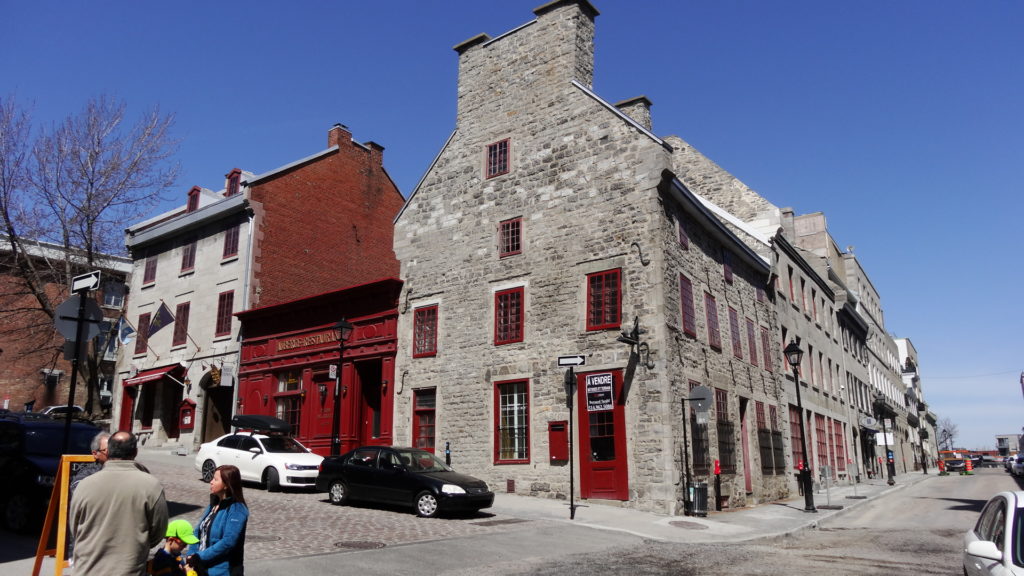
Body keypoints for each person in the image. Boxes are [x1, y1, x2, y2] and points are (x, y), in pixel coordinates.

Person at [70, 430, 169, 576]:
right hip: (128, 569)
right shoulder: (151, 486)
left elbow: (75, 527)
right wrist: (137, 545)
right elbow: (158, 531)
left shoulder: (84, 485)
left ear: (108, 451)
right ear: (135, 452)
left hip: (87, 569)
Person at [188, 464, 249, 576]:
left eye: (215, 479)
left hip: (222, 571)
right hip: (202, 568)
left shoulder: (237, 509)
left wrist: (199, 556)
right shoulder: (213, 505)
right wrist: (191, 554)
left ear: (226, 485)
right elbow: (198, 531)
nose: (211, 482)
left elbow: (228, 542)